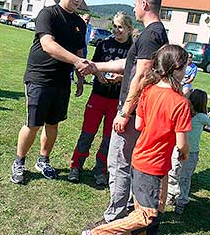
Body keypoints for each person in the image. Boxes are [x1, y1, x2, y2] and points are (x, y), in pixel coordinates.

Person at [82, 44, 191, 235]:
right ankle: (98, 232)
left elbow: (139, 124)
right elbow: (182, 144)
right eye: (185, 67)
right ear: (177, 69)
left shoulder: (148, 90)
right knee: (147, 215)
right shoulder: (180, 103)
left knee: (157, 207)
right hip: (154, 165)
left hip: (141, 158)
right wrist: (184, 152)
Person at [82, 0, 169, 223]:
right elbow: (128, 64)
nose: (133, 8)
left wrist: (124, 111)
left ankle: (116, 215)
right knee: (127, 161)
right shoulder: (155, 33)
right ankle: (129, 209)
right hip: (137, 112)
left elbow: (140, 75)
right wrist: (95, 66)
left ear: (144, 5)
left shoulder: (151, 35)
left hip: (132, 113)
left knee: (119, 162)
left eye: (135, 4)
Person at [10, 0, 94, 184]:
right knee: (33, 124)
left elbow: (79, 51)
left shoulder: (79, 23)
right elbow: (47, 45)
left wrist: (80, 78)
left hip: (62, 80)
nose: (78, 0)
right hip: (40, 77)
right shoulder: (48, 14)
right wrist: (77, 61)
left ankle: (43, 160)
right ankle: (19, 162)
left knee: (53, 123)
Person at [68, 12, 133, 186]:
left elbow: (136, 74)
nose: (116, 30)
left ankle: (101, 170)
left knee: (108, 138)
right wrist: (98, 73)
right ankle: (76, 166)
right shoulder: (104, 44)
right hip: (98, 95)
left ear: (129, 29)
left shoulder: (134, 49)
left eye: (120, 27)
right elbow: (93, 65)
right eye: (114, 26)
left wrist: (121, 78)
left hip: (117, 100)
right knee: (87, 133)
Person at [167, 89, 210, 214]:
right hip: (191, 153)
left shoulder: (183, 113)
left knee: (173, 173)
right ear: (203, 103)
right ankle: (181, 202)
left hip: (177, 149)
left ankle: (171, 196)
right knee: (185, 178)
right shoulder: (201, 117)